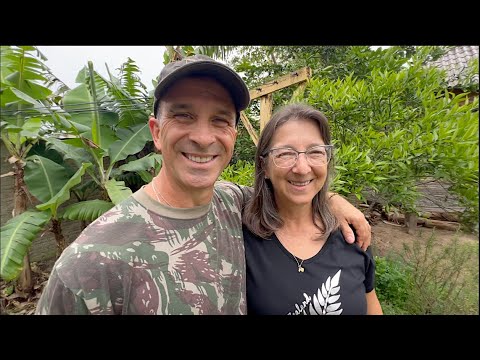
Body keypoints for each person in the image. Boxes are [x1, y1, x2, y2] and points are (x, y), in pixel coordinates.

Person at [36, 55, 371, 315]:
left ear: (233, 136)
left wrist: (332, 200)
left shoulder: (231, 202)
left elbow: (291, 190)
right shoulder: (88, 263)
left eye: (220, 119)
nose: (202, 137)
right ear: (156, 131)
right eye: (183, 115)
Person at [242, 103, 382, 315]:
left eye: (315, 152)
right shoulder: (240, 238)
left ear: (327, 159)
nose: (302, 168)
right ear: (265, 167)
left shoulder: (351, 234)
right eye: (285, 154)